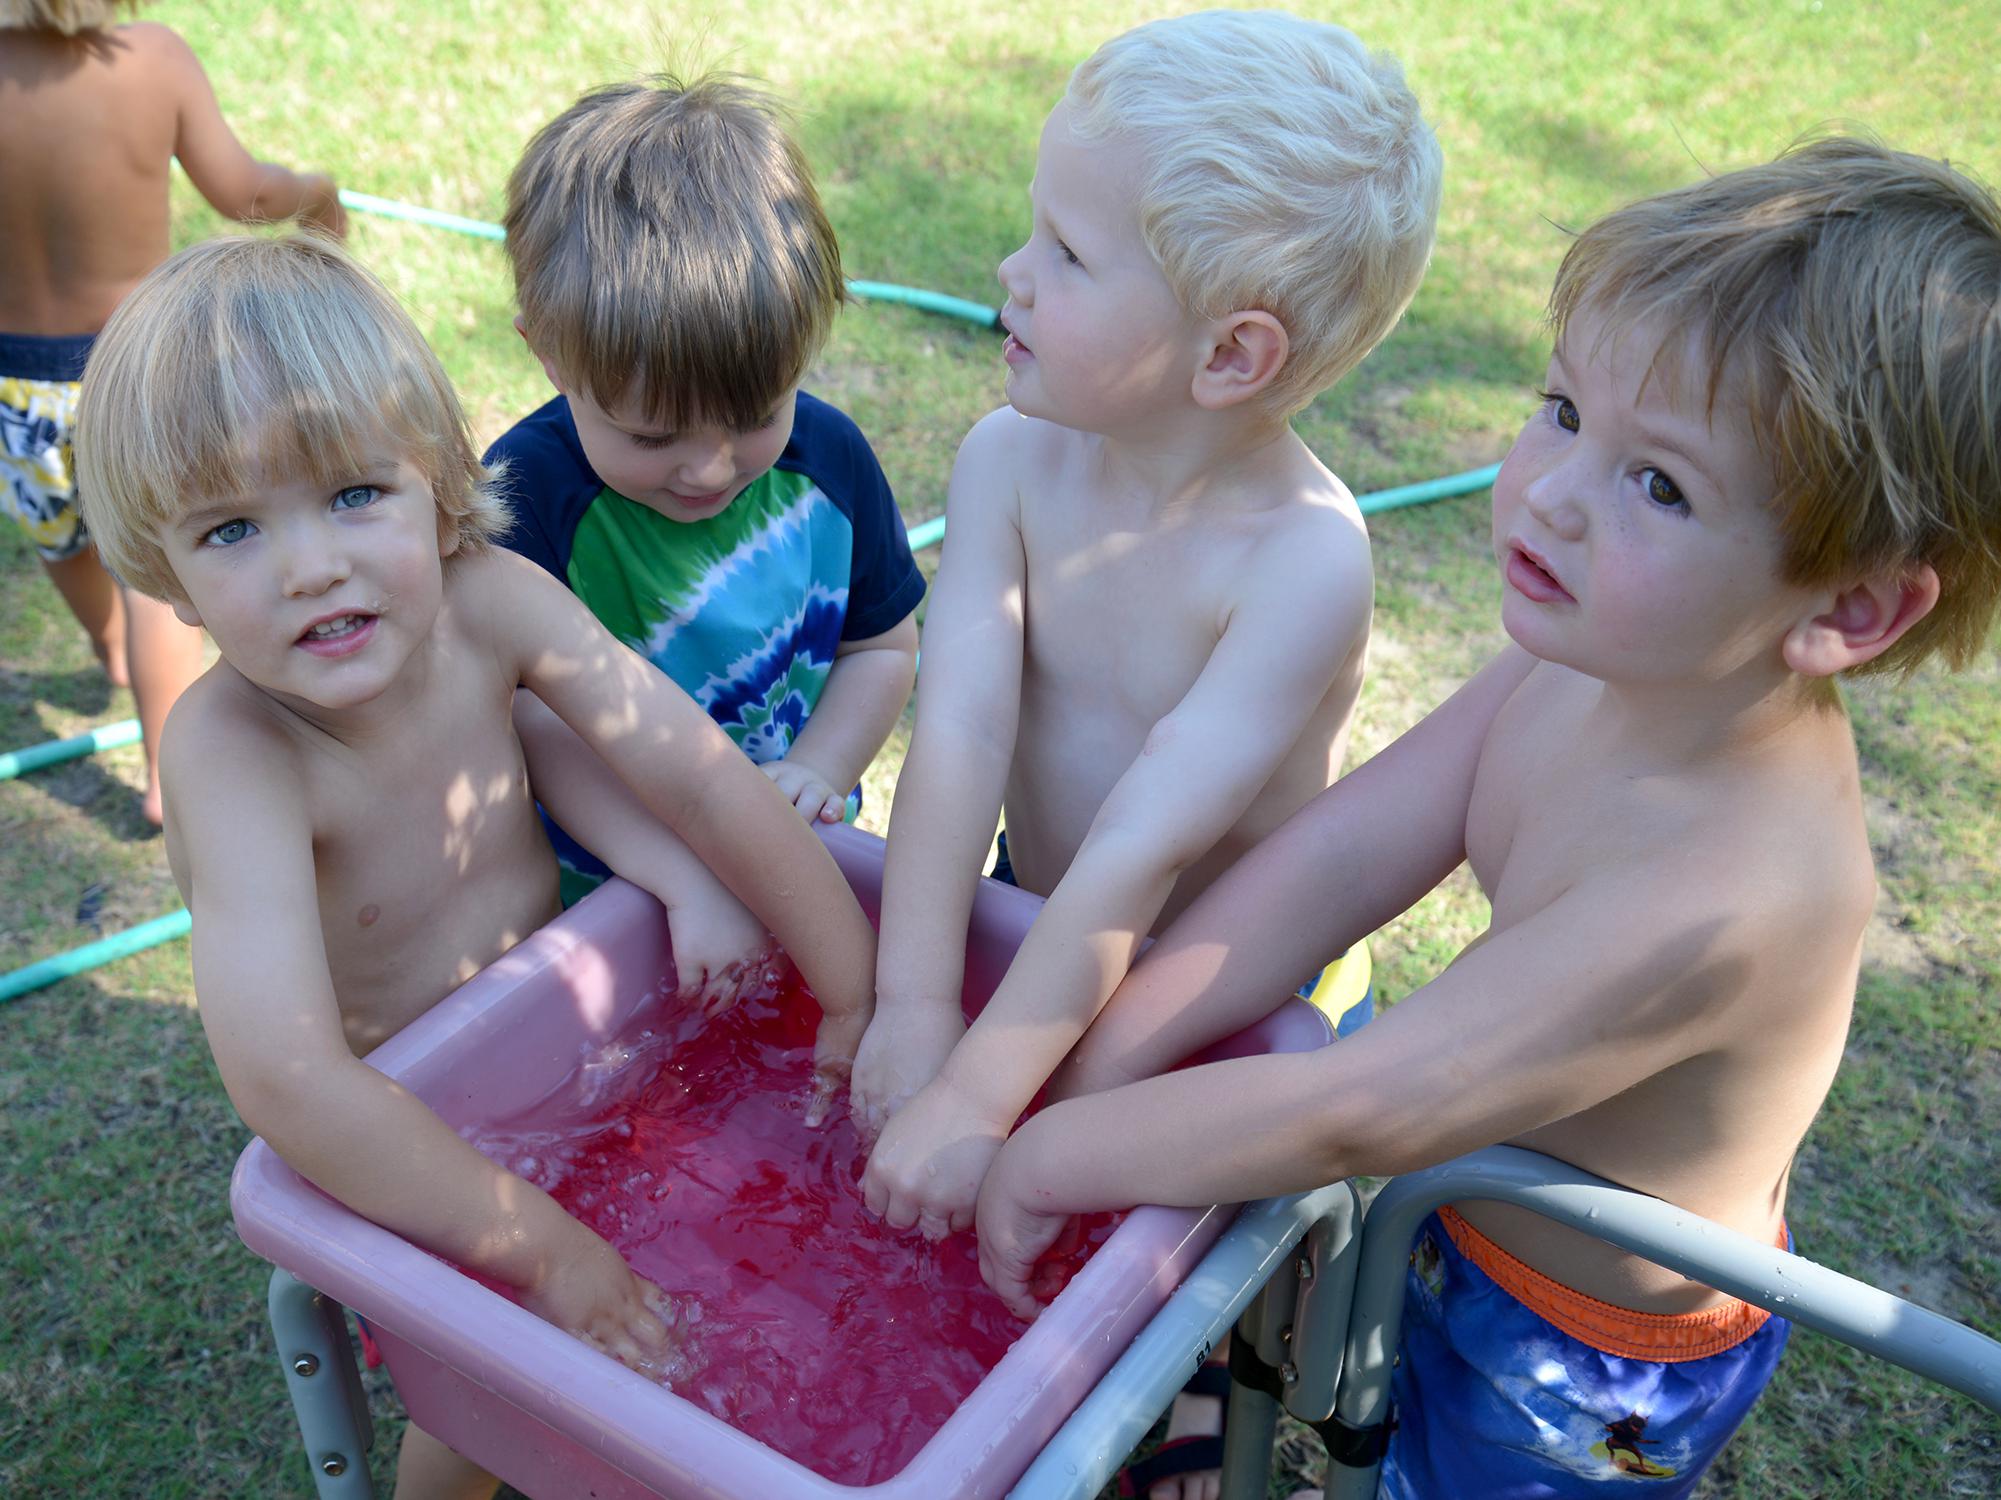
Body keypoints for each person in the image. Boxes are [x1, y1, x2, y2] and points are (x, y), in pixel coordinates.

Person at [972, 137, 2001, 1500]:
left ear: (1847, 611)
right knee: (1349, 1424)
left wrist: (1042, 1157)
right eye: (1564, 409)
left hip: (1578, 1351)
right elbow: (1332, 861)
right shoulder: (1584, 662)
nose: (1552, 494)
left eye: (1659, 485)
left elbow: (1361, 1106)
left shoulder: (1734, 895)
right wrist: (1085, 1065)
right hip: (1457, 1191)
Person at [73, 234, 880, 1500]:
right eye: (232, 528)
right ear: (162, 573)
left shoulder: (488, 598)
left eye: (354, 496)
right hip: (421, 1145)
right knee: (478, 1415)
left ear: (440, 484)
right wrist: (541, 1253)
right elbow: (287, 1077)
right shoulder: (233, 753)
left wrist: (852, 992)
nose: (311, 565)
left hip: (585, 1047)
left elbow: (702, 774)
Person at [854, 9, 1438, 1229]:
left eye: (1066, 253)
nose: (1012, 270)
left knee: (1183, 1300)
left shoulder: (1303, 563)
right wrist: (914, 1003)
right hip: (1040, 911)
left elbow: (1143, 847)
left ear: (1230, 354)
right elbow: (956, 733)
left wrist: (973, 1090)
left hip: (1226, 996)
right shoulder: (1009, 460)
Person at [487, 71, 923, 999]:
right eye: (651, 437)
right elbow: (528, 724)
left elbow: (883, 646)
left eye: (758, 416)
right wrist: (678, 878)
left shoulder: (829, 460)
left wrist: (819, 767)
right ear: (549, 355)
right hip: (606, 892)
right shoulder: (525, 501)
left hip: (805, 850)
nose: (711, 471)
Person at [0, 0, 345, 825]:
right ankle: (168, 772)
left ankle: (106, 649)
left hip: (15, 385)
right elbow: (245, 192)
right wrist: (315, 192)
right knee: (155, 578)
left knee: (56, 533)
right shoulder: (152, 59)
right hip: (138, 373)